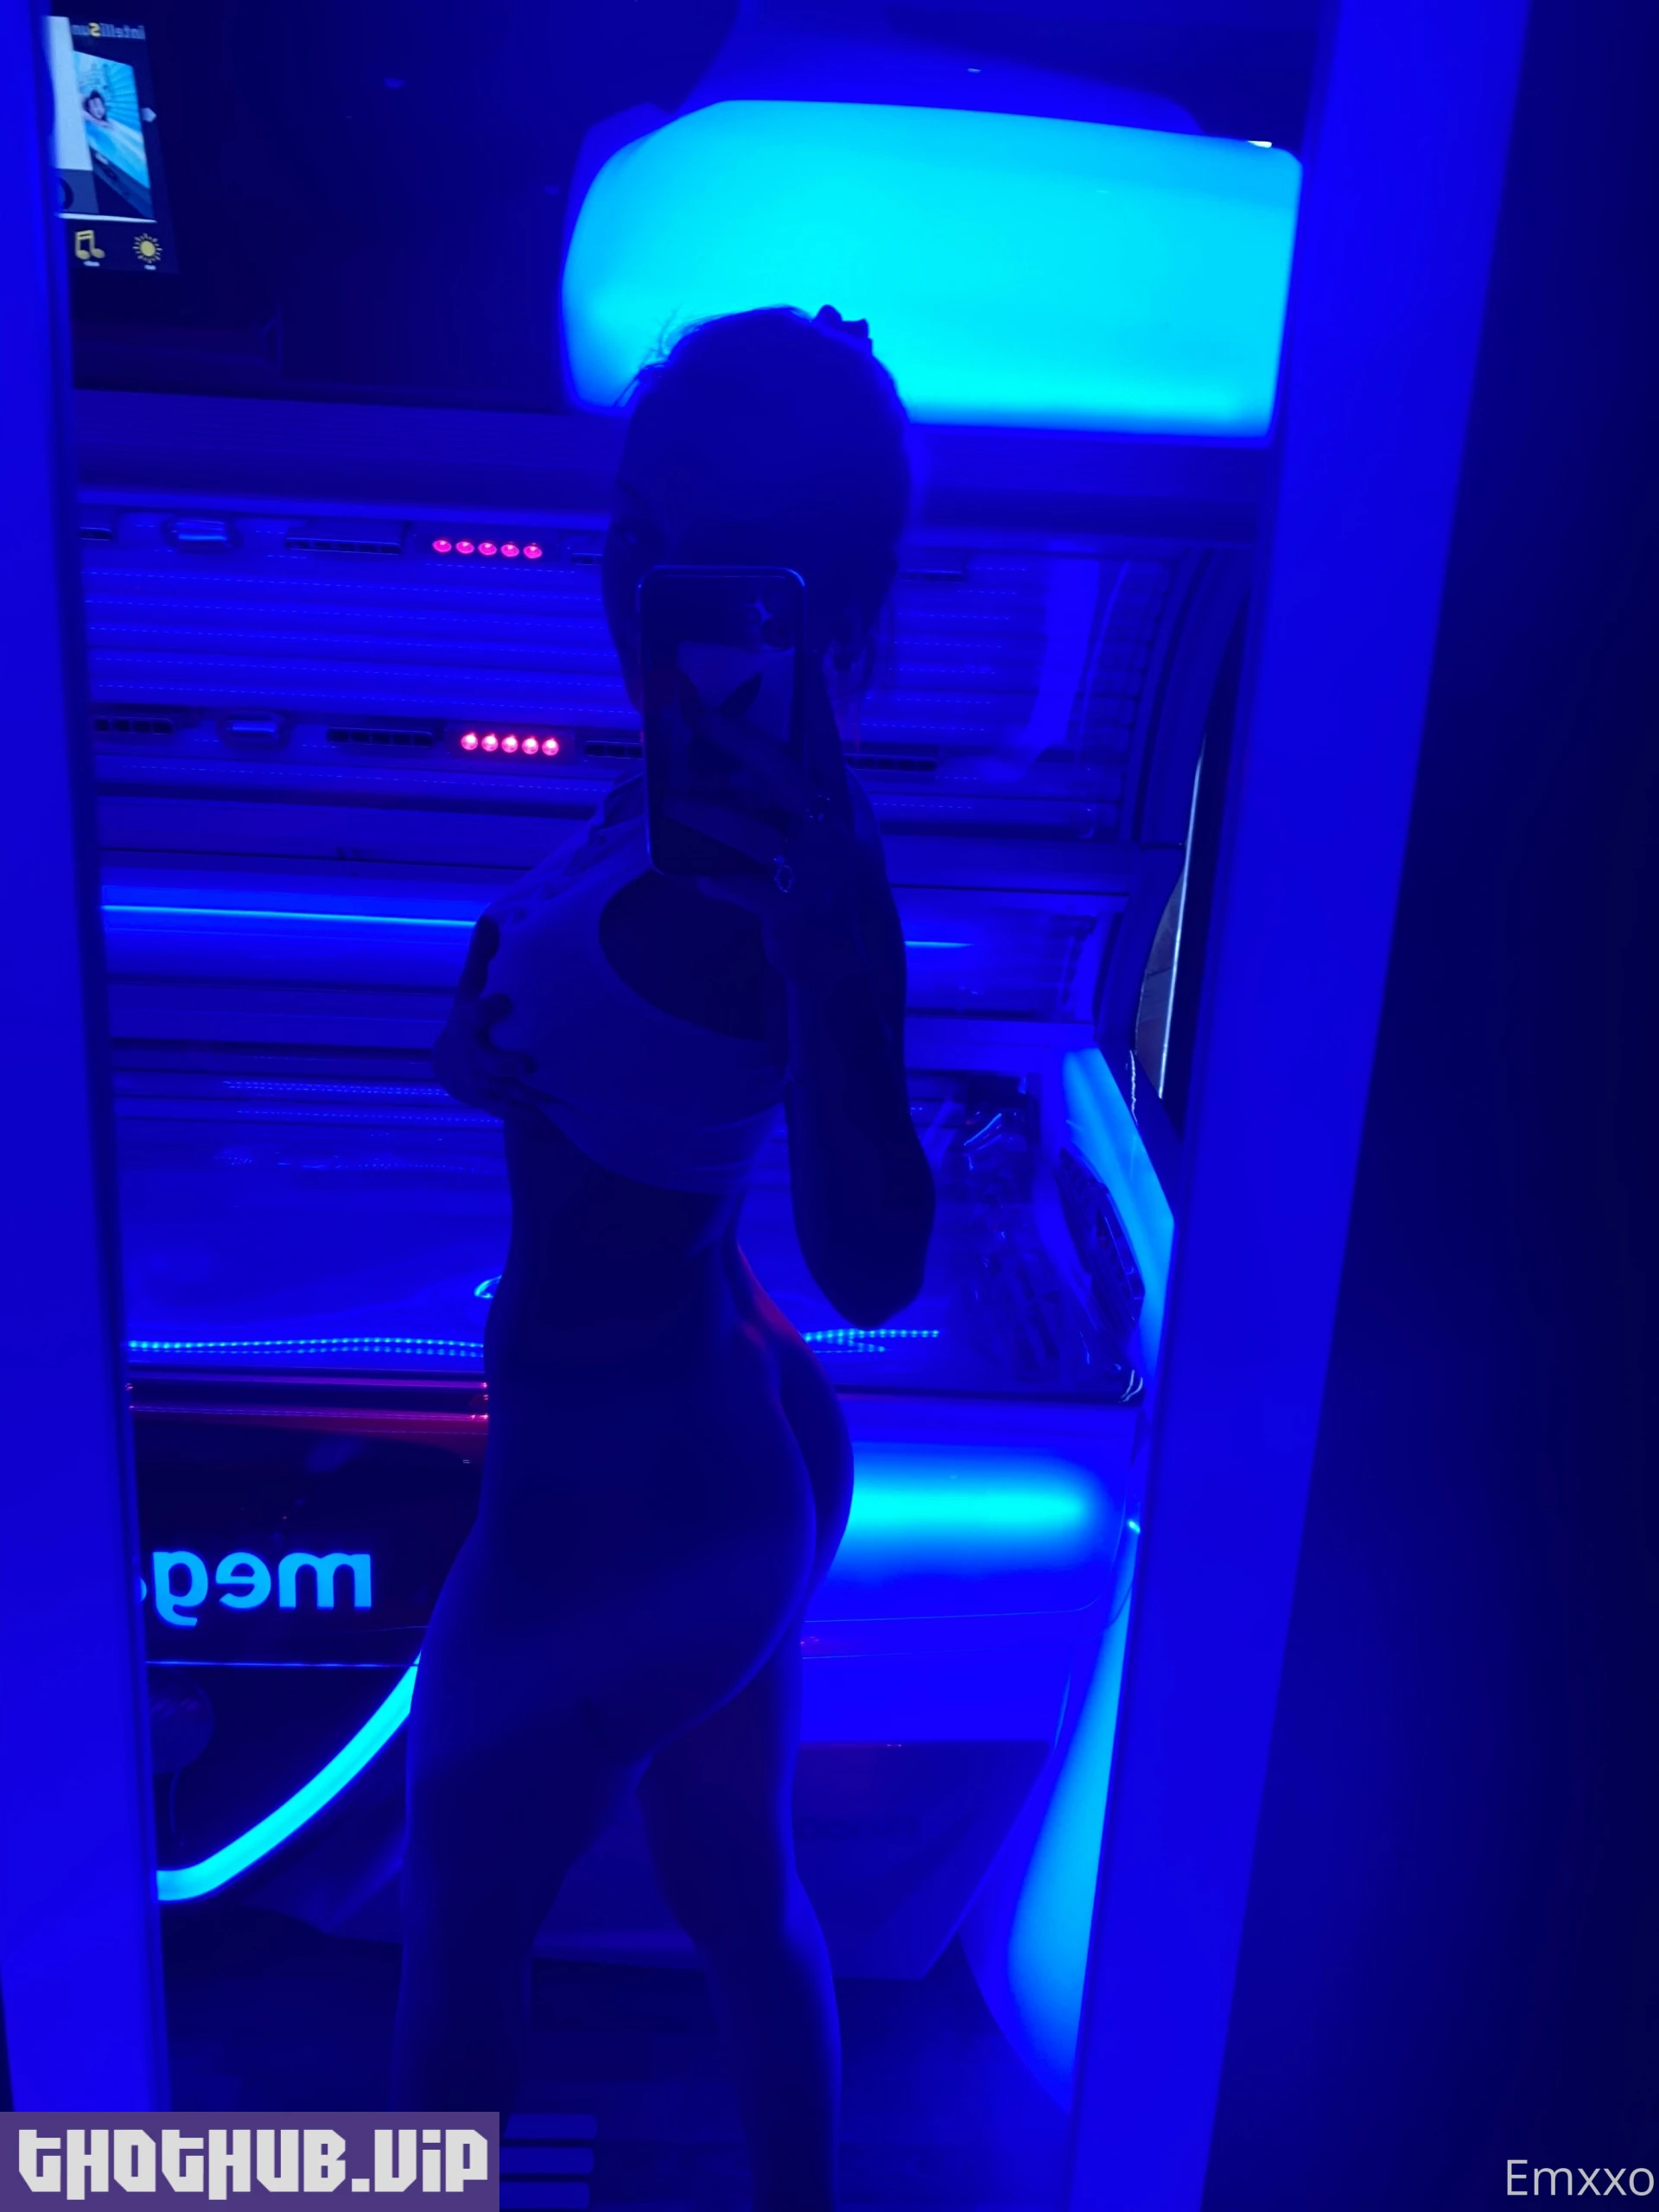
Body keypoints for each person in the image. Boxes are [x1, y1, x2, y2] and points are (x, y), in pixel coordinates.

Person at [391, 307, 935, 2210]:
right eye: (631, 528)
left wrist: (827, 968)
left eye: (705, 559)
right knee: (731, 1886)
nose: (636, 586)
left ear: (818, 607)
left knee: (456, 1930)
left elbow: (876, 1262)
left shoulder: (807, 865)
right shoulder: (680, 777)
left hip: (621, 1521)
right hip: (697, 1443)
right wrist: (482, 1049)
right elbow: (618, 1054)